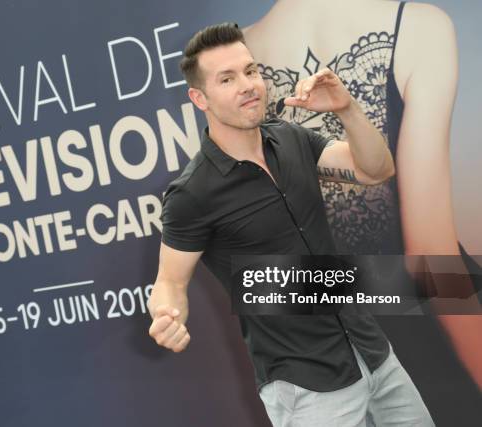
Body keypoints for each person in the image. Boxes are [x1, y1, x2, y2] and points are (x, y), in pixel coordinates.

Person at [147, 23, 434, 426]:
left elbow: (376, 169)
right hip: (307, 388)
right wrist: (165, 315)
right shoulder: (192, 194)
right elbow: (170, 283)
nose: (247, 85)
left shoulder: (291, 139)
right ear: (200, 98)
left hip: (373, 355)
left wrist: (346, 108)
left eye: (250, 71)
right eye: (227, 79)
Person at [242, 0, 482, 391]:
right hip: (428, 337)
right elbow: (429, 257)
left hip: (327, 354)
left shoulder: (229, 61)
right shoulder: (420, 26)